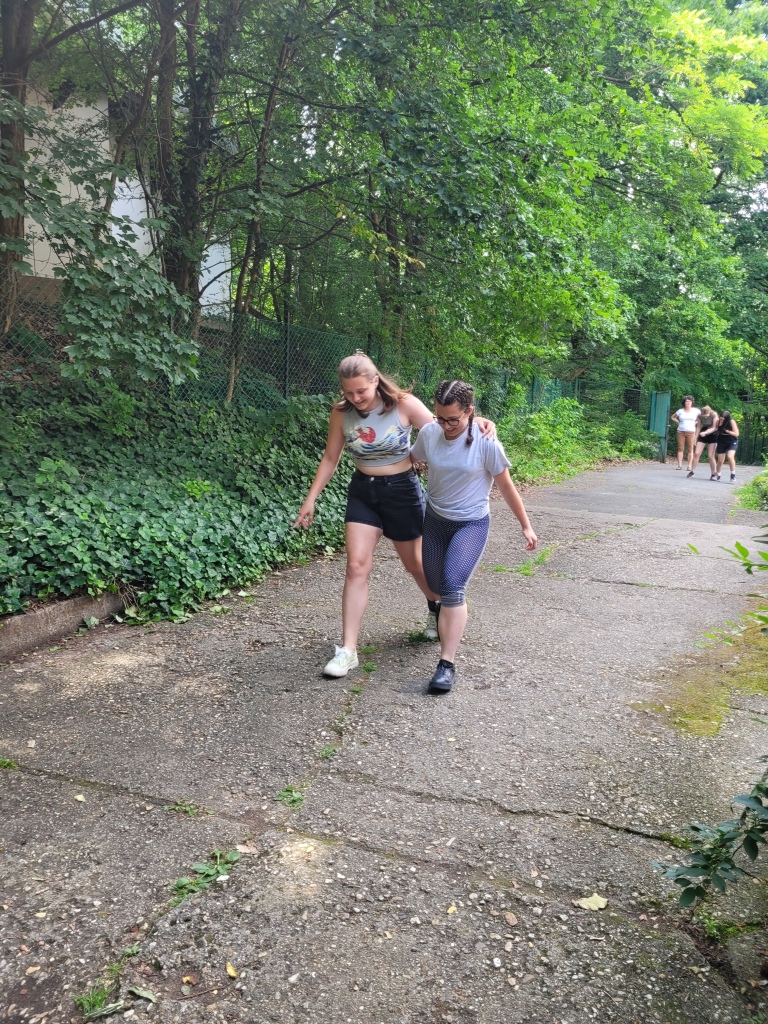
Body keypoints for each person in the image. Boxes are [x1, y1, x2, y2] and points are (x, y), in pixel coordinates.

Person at [292, 353, 497, 678]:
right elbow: (331, 458)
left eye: (361, 391)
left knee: (416, 565)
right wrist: (311, 498)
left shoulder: (404, 405)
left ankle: (437, 606)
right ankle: (348, 651)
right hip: (363, 492)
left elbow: (446, 428)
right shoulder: (341, 413)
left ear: (375, 381)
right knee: (356, 566)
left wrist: (480, 421)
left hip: (402, 492)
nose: (355, 398)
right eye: (348, 392)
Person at [410, 380, 537, 694]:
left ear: (469, 412)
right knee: (435, 586)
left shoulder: (486, 442)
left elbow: (505, 485)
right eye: (440, 418)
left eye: (453, 419)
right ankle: (441, 616)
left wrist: (525, 525)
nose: (446, 426)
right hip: (435, 520)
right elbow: (411, 459)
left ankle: (446, 664)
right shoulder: (430, 433)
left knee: (453, 586)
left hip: (471, 524)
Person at [688, 405, 719, 479]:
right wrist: (695, 438)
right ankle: (692, 471)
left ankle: (713, 473)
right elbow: (698, 427)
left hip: (713, 433)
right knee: (696, 453)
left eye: (706, 415)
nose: (705, 417)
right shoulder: (699, 415)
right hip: (703, 432)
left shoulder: (714, 415)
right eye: (703, 415)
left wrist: (706, 432)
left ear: (710, 412)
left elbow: (714, 427)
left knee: (711, 456)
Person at [671, 396, 701, 471]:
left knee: (690, 449)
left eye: (689, 401)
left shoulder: (696, 411)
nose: (688, 403)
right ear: (684, 403)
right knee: (680, 448)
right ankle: (679, 465)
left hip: (691, 431)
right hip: (680, 431)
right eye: (686, 401)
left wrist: (695, 422)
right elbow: (673, 417)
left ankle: (689, 466)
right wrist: (678, 422)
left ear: (692, 402)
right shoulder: (680, 411)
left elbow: (701, 418)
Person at [715, 411, 739, 482]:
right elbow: (715, 429)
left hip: (731, 440)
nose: (721, 420)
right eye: (721, 419)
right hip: (721, 441)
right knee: (720, 460)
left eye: (723, 420)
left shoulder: (731, 422)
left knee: (730, 456)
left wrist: (726, 431)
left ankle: (733, 475)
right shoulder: (717, 421)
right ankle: (718, 474)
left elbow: (736, 433)